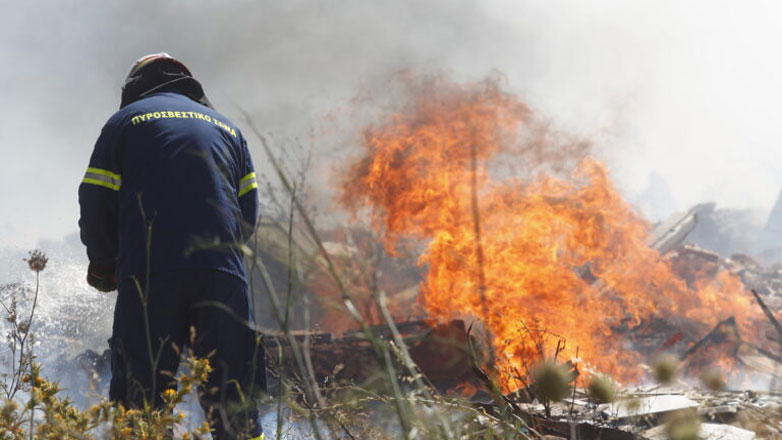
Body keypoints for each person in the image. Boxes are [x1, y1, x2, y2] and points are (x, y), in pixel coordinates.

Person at [79, 53, 265, 439]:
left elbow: (96, 199)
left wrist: (103, 261)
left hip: (152, 271)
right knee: (234, 404)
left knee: (141, 401)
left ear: (135, 87)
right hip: (224, 276)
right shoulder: (229, 129)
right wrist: (217, 257)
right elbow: (247, 213)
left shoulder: (124, 122)